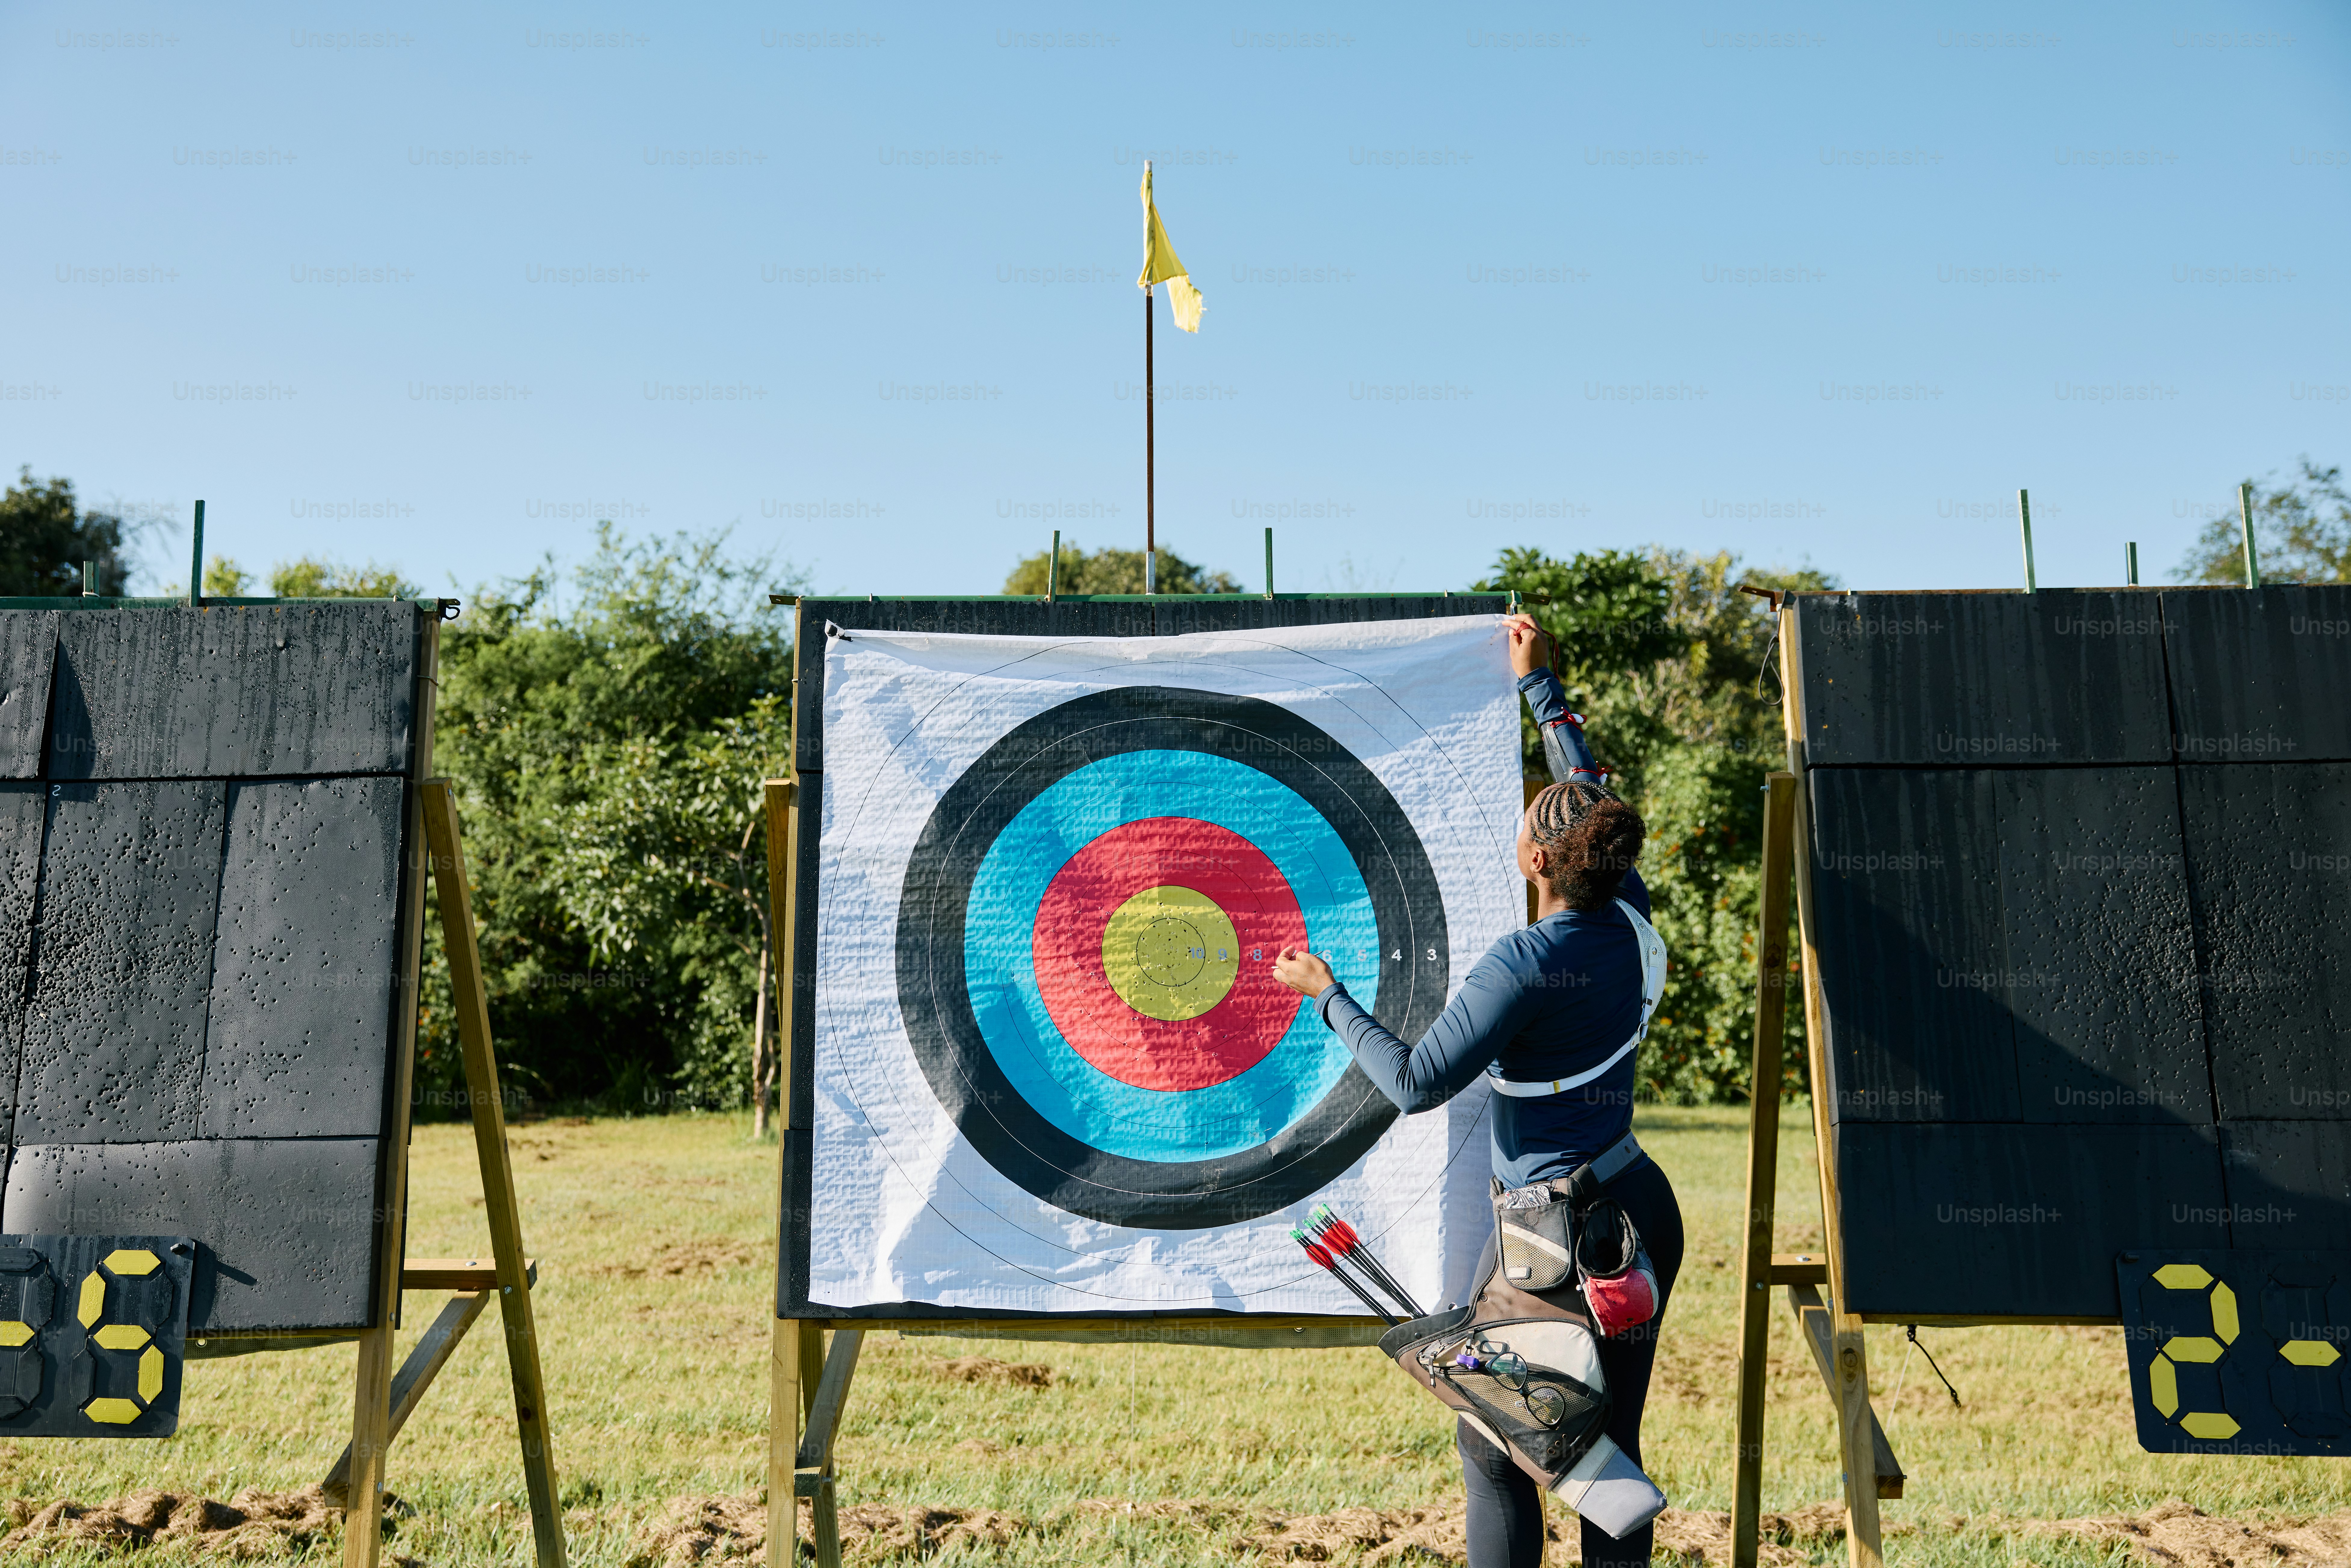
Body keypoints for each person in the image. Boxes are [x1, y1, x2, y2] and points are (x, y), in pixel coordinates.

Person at [1271, 613, 1685, 1568]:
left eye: (1533, 818)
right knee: (1603, 1452)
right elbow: (1591, 799)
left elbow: (1416, 1082)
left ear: (1539, 862)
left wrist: (1327, 997)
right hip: (1636, 1209)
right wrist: (1542, 692)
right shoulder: (1629, 916)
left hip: (1563, 1239)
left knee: (1506, 1441)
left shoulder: (1527, 962)